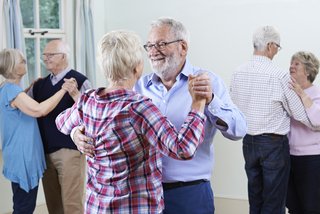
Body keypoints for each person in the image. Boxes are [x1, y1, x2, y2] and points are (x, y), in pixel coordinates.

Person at [72, 17, 247, 214]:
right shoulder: (135, 87)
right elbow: (89, 118)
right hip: (139, 196)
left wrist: (211, 100)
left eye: (161, 44)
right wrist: (77, 134)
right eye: (150, 45)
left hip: (188, 194)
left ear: (183, 47)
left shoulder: (207, 82)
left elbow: (239, 129)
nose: (153, 51)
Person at [55, 30, 207, 214]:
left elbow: (61, 122)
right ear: (137, 67)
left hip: (97, 207)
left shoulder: (87, 100)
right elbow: (183, 148)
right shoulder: (139, 108)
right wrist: (198, 104)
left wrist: (75, 133)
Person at [230, 26, 320, 214]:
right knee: (275, 200)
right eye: (278, 47)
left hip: (250, 142)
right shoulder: (280, 76)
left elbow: (234, 107)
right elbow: (301, 115)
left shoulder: (238, 72)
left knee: (256, 196)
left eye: (297, 64)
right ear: (270, 46)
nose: (278, 52)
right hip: (273, 145)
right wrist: (313, 123)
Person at [0, 49, 71, 213]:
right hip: (22, 156)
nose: (25, 62)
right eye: (21, 61)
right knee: (24, 207)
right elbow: (39, 110)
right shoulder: (12, 91)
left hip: (16, 153)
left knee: (21, 203)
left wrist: (30, 87)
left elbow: (17, 107)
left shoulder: (6, 88)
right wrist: (63, 89)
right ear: (12, 67)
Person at [28, 39, 91, 214]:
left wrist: (75, 94)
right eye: (44, 55)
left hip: (69, 152)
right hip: (44, 152)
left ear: (63, 56)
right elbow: (25, 108)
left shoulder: (80, 80)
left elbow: (91, 113)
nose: (45, 58)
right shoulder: (39, 84)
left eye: (50, 55)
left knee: (72, 205)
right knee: (53, 205)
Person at [286, 51, 320, 214]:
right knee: (293, 206)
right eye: (291, 63)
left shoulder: (317, 93)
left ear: (308, 71)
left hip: (312, 159)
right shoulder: (289, 92)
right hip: (289, 157)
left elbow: (318, 121)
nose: (291, 66)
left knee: (311, 207)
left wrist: (301, 93)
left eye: (296, 64)